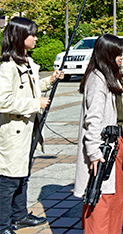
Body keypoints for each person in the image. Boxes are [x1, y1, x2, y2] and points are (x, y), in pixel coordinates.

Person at [0, 17, 63, 234]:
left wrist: (50, 80)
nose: (36, 38)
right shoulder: (8, 66)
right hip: (13, 132)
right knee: (8, 179)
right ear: (19, 36)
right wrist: (35, 104)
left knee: (23, 174)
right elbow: (3, 100)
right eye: (32, 35)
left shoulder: (27, 62)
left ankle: (20, 216)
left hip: (28, 129)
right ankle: (3, 225)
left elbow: (30, 87)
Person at [73, 34, 123, 234]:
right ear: (107, 54)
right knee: (100, 200)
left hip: (114, 146)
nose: (121, 58)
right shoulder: (97, 79)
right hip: (103, 149)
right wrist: (94, 152)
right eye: (118, 54)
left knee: (114, 199)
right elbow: (93, 120)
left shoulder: (109, 76)